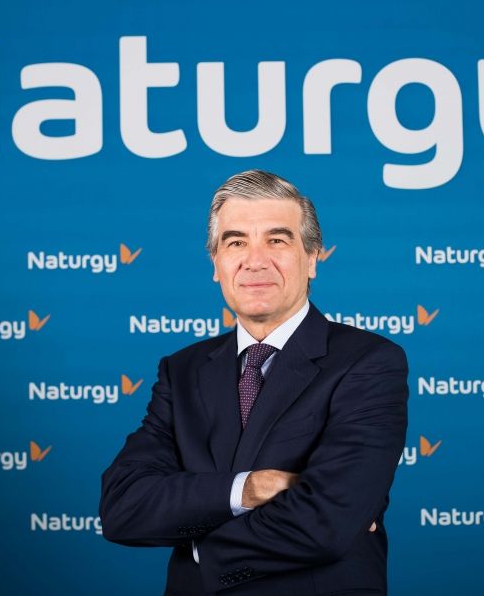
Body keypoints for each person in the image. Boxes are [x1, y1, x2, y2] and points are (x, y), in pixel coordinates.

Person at [100, 169, 408, 595]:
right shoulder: (182, 370)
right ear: (216, 264)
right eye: (236, 242)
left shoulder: (368, 362)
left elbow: (327, 522)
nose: (255, 260)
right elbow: (123, 507)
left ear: (312, 258)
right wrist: (247, 489)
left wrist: (199, 545)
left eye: (277, 240)